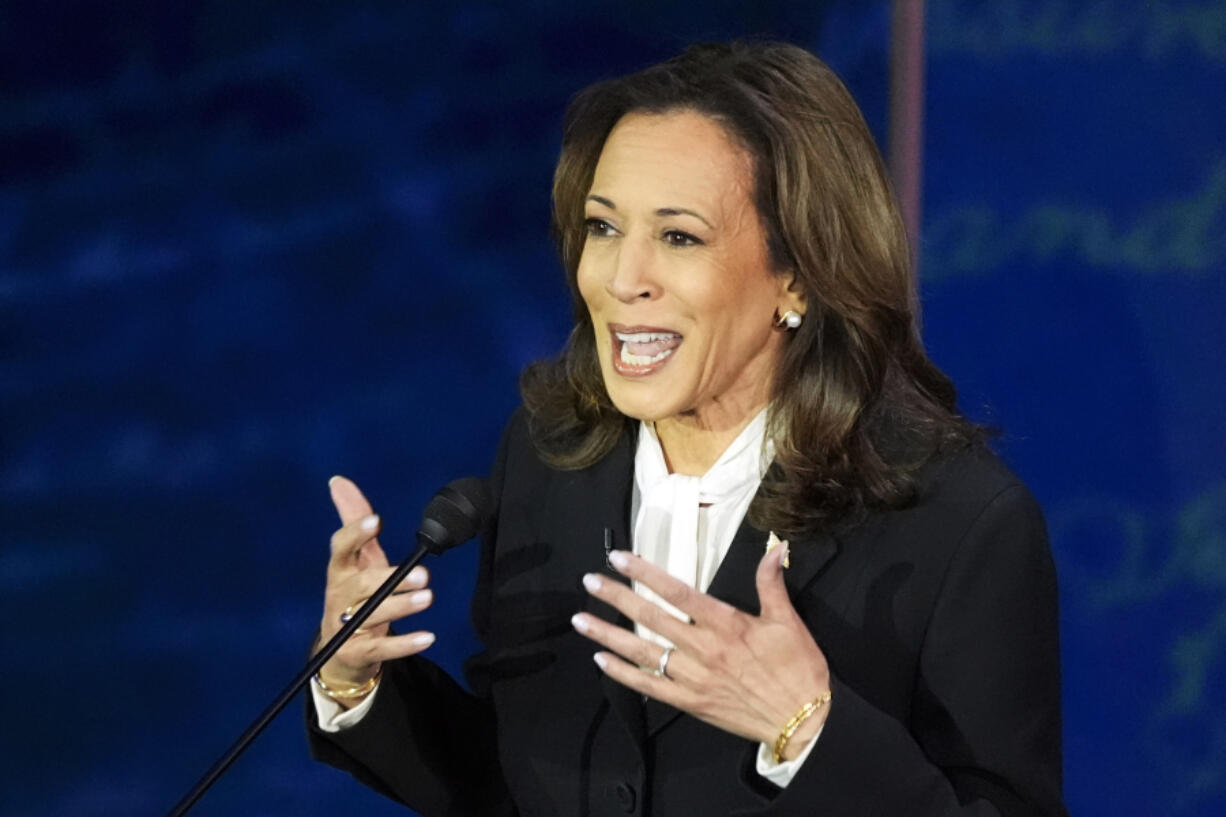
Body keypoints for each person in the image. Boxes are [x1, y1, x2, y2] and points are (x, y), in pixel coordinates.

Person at [306, 41, 1068, 816]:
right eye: (603, 228)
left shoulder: (958, 523)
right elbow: (516, 779)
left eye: (678, 237)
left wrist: (805, 730)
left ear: (797, 274)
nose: (622, 277)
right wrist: (355, 677)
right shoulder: (551, 460)